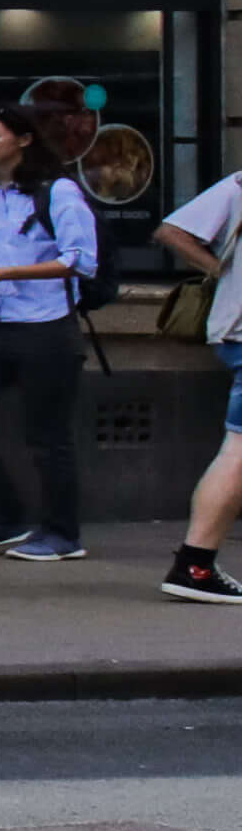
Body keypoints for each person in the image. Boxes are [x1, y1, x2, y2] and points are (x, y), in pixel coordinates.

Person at [0, 104, 102, 561]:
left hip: (44, 325)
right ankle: (1, 518)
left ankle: (61, 534)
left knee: (48, 435)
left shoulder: (58, 192)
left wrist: (4, 272)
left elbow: (80, 260)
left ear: (24, 140)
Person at [156, 152, 242, 607]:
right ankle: (195, 564)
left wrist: (223, 273)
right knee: (239, 452)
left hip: (233, 330)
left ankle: (196, 564)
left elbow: (172, 229)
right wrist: (221, 271)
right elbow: (172, 231)